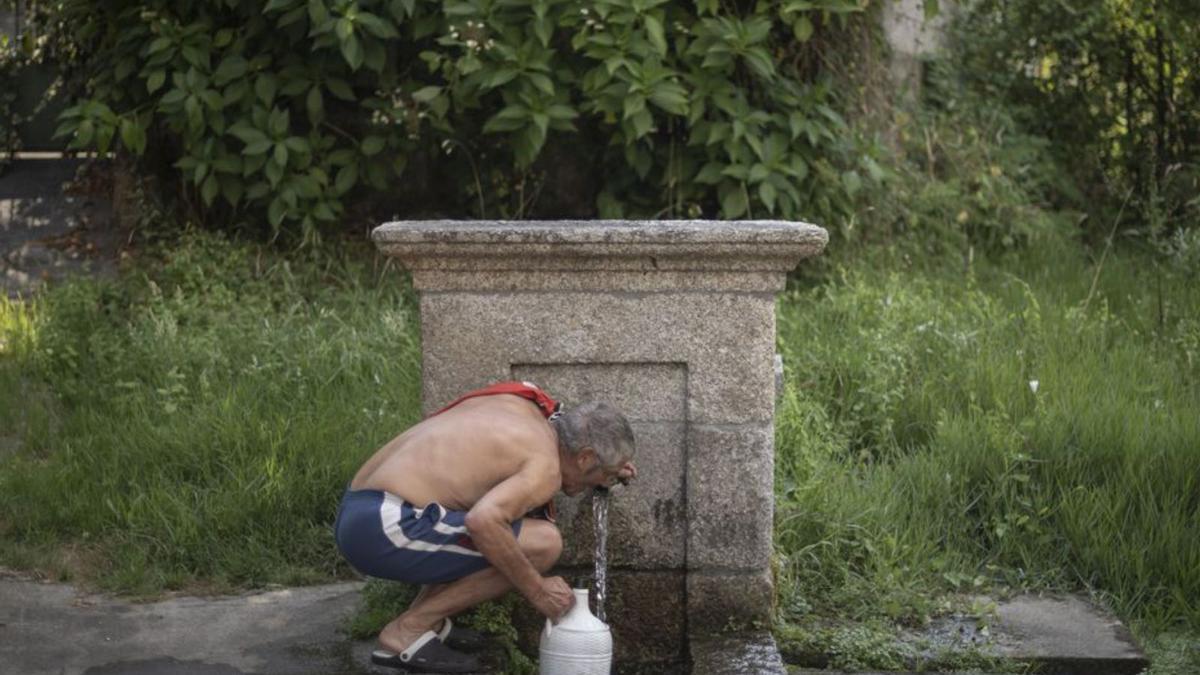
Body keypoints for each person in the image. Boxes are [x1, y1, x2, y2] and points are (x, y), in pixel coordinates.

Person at [334, 381, 637, 673]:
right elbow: (482, 522)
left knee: (491, 532)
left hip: (362, 507)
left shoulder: (525, 404)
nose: (603, 482)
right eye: (605, 475)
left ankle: (427, 622)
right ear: (584, 457)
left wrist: (609, 468)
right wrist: (538, 591)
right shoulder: (544, 466)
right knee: (543, 544)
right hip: (383, 527)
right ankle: (408, 629)